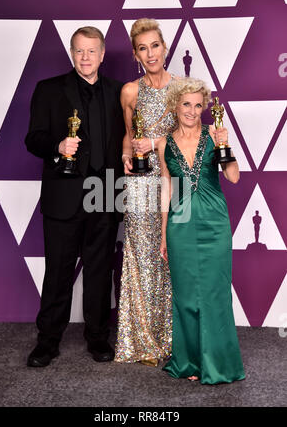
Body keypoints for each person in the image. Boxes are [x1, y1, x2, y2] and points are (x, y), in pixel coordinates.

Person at [25, 26, 125, 367]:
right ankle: (47, 342)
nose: (85, 57)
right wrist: (57, 146)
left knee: (100, 271)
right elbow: (33, 138)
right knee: (58, 272)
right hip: (64, 196)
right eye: (79, 51)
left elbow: (125, 142)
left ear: (102, 53)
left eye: (91, 50)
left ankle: (98, 339)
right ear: (72, 53)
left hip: (106, 195)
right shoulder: (49, 90)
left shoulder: (119, 92)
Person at [158, 77, 245, 384]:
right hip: (180, 225)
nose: (192, 111)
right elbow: (167, 187)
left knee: (214, 293)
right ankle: (191, 361)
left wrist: (225, 144)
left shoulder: (213, 135)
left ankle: (217, 361)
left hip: (214, 222)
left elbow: (233, 176)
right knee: (185, 296)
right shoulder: (163, 142)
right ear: (175, 105)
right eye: (186, 104)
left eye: (198, 105)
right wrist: (163, 231)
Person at [114, 18, 177, 366]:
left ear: (164, 47)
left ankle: (171, 337)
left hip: (172, 181)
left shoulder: (182, 89)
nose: (150, 53)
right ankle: (141, 341)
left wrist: (154, 142)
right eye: (143, 48)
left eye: (155, 45)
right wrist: (126, 155)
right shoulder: (129, 91)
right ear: (136, 54)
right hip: (139, 183)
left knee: (170, 255)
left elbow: (191, 140)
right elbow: (128, 134)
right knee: (139, 255)